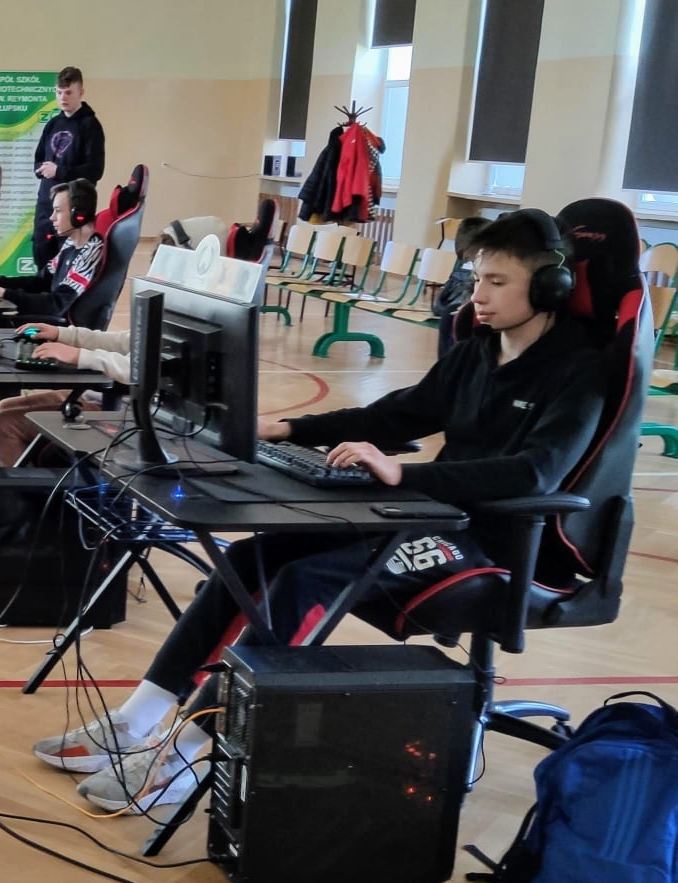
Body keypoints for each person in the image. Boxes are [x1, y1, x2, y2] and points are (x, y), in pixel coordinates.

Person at [30, 210, 606, 814]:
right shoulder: (477, 353)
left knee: (310, 578)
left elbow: (536, 473)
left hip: (497, 544)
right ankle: (136, 719)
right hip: (435, 515)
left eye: (497, 282)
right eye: (477, 278)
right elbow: (396, 414)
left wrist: (403, 474)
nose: (477, 295)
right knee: (252, 558)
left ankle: (186, 756)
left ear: (548, 289)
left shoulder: (580, 369)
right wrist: (289, 428)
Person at [0, 320, 131, 466]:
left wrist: (79, 356)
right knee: (2, 407)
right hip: (103, 396)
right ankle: (31, 476)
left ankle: (26, 483)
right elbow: (123, 342)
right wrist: (61, 333)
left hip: (126, 415)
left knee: (2, 425)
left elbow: (138, 368)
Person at [0, 180, 105, 318]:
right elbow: (41, 281)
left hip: (60, 327)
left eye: (58, 211)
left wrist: (2, 293)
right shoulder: (71, 242)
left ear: (78, 215)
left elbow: (56, 305)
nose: (52, 218)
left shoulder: (91, 251)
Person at [31, 67, 105, 272]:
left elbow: (95, 170)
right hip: (46, 204)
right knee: (41, 255)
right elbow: (38, 159)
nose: (63, 97)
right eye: (59, 92)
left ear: (81, 92)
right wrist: (41, 169)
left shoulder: (91, 125)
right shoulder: (53, 124)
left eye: (69, 92)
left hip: (73, 207)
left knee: (66, 264)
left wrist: (60, 172)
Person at [433, 216, 491, 357]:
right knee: (450, 315)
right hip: (475, 306)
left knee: (461, 319)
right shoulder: (474, 266)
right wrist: (466, 304)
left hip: (490, 309)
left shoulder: (494, 264)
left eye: (471, 258)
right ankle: (446, 365)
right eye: (468, 260)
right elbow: (471, 287)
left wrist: (470, 305)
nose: (471, 262)